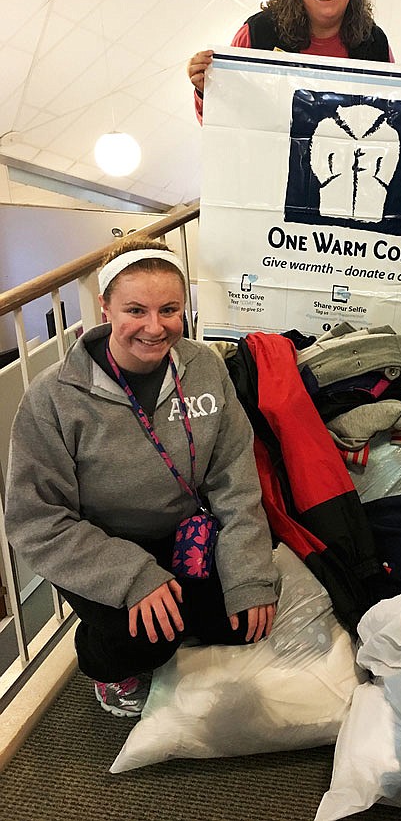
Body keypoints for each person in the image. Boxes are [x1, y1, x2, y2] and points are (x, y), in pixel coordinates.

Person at [4, 238, 278, 717]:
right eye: (136, 309)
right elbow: (37, 520)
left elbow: (235, 479)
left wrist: (248, 577)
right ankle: (103, 657)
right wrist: (132, 579)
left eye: (169, 309)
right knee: (148, 641)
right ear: (105, 308)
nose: (155, 328)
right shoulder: (54, 398)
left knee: (242, 618)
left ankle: (173, 603)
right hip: (101, 545)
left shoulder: (205, 368)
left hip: (184, 533)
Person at [187, 0, 393, 122]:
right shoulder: (257, 34)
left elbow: (393, 120)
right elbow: (223, 122)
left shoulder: (375, 43)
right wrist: (207, 89)